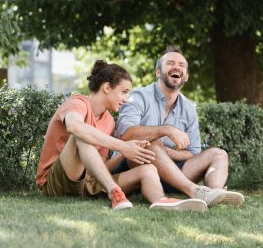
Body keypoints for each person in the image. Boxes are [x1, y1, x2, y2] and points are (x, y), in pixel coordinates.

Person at [36, 60, 208, 211]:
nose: (127, 99)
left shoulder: (109, 120)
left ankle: (162, 201)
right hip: (56, 183)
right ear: (107, 88)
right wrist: (122, 146)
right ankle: (115, 192)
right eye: (124, 92)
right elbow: (75, 127)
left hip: (89, 183)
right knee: (82, 136)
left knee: (148, 169)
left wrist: (126, 152)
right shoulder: (76, 103)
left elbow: (102, 167)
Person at [114, 46, 244, 207]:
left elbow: (193, 153)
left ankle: (215, 194)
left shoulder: (189, 108)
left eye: (182, 65)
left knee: (219, 154)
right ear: (158, 72)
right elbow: (125, 135)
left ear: (186, 77)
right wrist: (165, 130)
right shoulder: (138, 96)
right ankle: (194, 190)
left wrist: (167, 152)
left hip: (173, 175)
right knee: (151, 142)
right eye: (170, 63)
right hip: (136, 167)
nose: (177, 67)